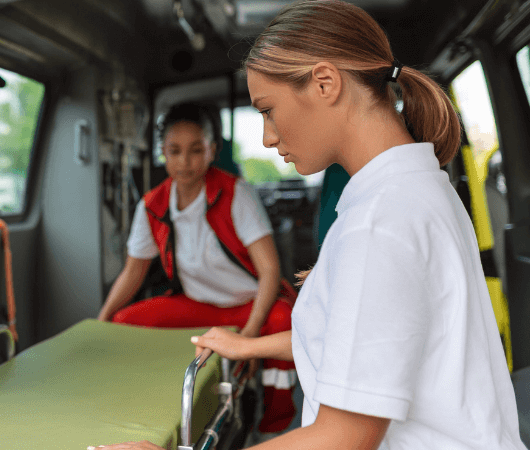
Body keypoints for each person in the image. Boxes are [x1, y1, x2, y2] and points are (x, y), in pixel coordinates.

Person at [93, 0, 526, 449]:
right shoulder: (418, 188)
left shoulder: (380, 222)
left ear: (325, 83)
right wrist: (251, 347)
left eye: (268, 109)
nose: (267, 136)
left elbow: (343, 439)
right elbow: (365, 344)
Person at [97, 102, 298, 433]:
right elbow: (133, 273)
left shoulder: (236, 194)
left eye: (196, 150)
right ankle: (149, 398)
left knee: (282, 320)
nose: (184, 161)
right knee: (124, 322)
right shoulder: (151, 205)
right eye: (174, 151)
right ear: (163, 152)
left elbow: (269, 271)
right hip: (198, 306)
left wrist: (248, 337)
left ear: (212, 151)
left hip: (248, 306)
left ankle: (275, 424)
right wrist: (102, 321)